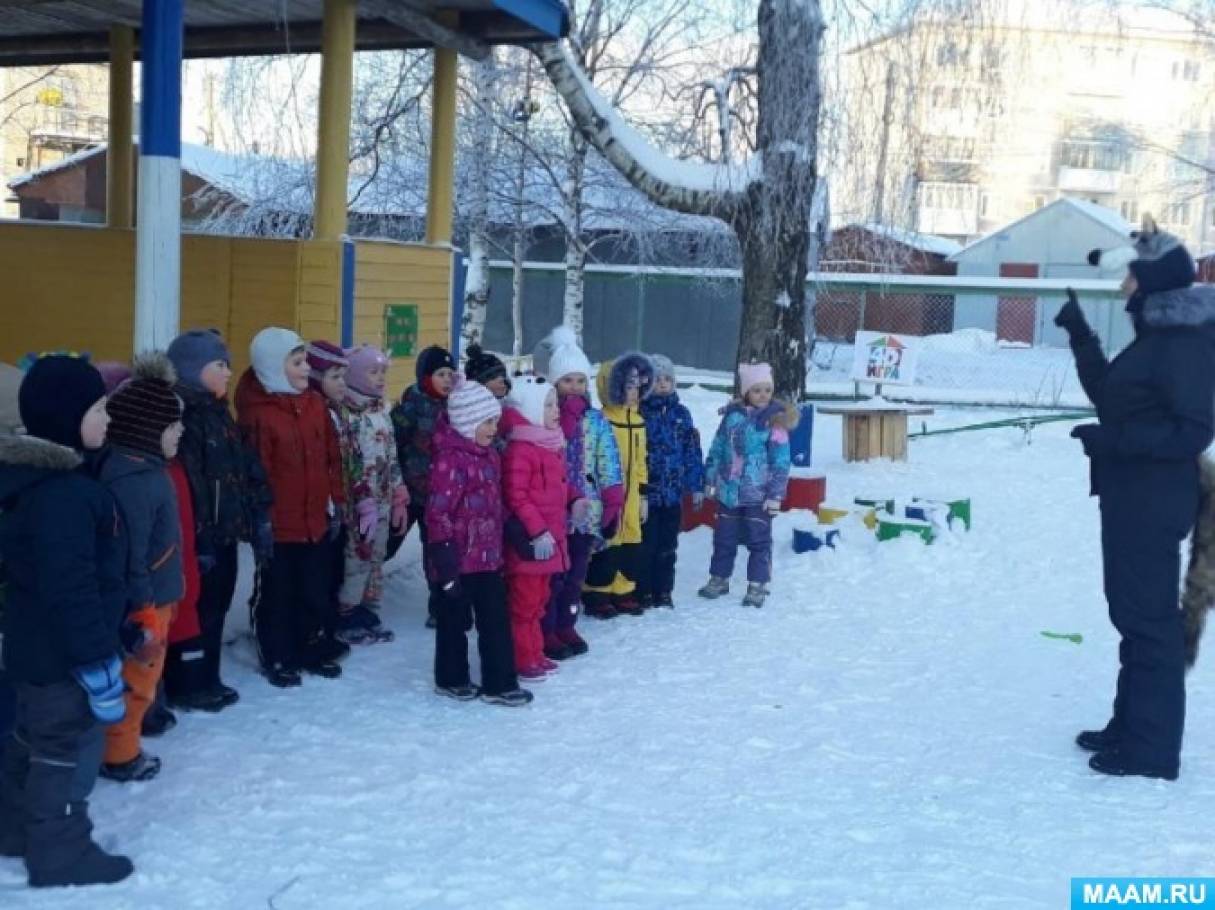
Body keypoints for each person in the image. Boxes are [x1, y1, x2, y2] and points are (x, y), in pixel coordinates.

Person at [1059, 218, 1215, 781]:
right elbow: (1113, 399)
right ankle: (1130, 725)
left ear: (1149, 279)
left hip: (1153, 499)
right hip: (1131, 494)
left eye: (1130, 272)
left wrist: (1114, 442)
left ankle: (1151, 751)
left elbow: (1193, 431)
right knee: (1131, 612)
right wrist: (1080, 336)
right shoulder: (1154, 336)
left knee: (1149, 621)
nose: (1123, 282)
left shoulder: (1184, 344)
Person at [0, 355, 134, 887]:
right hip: (64, 656)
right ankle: (59, 853)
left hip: (34, 648)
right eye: (99, 408)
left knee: (28, 740)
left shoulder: (34, 483)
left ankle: (13, 828)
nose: (108, 419)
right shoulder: (66, 496)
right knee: (58, 749)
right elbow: (73, 590)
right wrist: (99, 661)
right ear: (65, 416)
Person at [165, 330, 273, 711]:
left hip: (224, 532)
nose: (229, 373)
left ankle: (208, 676)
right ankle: (186, 683)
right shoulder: (186, 417)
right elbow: (191, 484)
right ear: (193, 370)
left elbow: (244, 466)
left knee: (217, 607)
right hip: (200, 538)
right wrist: (200, 538)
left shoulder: (218, 412)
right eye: (220, 366)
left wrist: (257, 515)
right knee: (195, 610)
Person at [237, 328, 347, 687]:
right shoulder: (259, 414)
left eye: (305, 362)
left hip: (315, 518)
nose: (306, 370)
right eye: (297, 363)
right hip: (280, 525)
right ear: (272, 366)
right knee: (278, 592)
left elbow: (332, 458)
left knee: (314, 588)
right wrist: (261, 521)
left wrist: (337, 503)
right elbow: (257, 475)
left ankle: (310, 647)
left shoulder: (315, 404)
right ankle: (278, 653)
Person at [97, 353, 184, 784]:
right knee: (135, 682)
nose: (180, 433)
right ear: (149, 431)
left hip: (161, 595)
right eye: (173, 427)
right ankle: (120, 755)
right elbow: (133, 555)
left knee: (145, 678)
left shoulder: (150, 470)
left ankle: (126, 739)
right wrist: (145, 608)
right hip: (146, 603)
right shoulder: (133, 481)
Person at [426, 377, 532, 706]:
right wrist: (444, 560)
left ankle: (499, 683)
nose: (492, 429)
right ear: (466, 421)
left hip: (487, 558)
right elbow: (437, 512)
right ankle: (451, 677)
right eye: (487, 422)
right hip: (455, 561)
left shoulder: (489, 456)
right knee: (453, 623)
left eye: (495, 422)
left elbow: (492, 503)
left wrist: (512, 530)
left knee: (495, 620)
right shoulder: (450, 460)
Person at [532, 326, 622, 655]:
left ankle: (567, 624)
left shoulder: (595, 421)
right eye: (567, 380)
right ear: (555, 382)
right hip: (552, 513)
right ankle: (545, 628)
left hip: (586, 512)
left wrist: (613, 501)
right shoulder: (546, 418)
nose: (574, 387)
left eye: (580, 380)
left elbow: (608, 462)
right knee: (552, 576)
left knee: (574, 575)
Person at [699, 362, 793, 609]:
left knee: (758, 539)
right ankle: (719, 578)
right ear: (746, 393)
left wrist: (775, 494)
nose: (763, 395)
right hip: (729, 491)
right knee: (724, 537)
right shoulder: (732, 417)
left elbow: (781, 462)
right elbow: (718, 447)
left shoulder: (775, 422)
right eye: (757, 390)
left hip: (758, 493)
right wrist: (710, 477)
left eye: (767, 390)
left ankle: (758, 583)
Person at [338, 344, 409, 644]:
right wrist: (359, 499)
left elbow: (392, 454)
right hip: (357, 505)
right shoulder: (346, 413)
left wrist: (399, 494)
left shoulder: (381, 409)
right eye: (373, 371)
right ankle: (347, 614)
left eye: (383, 372)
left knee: (376, 557)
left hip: (383, 499)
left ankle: (368, 609)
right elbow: (348, 462)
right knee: (356, 558)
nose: (380, 378)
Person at [502, 378, 571, 681]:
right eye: (547, 404)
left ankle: (535, 652)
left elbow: (559, 489)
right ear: (530, 409)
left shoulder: (551, 443)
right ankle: (522, 657)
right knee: (524, 604)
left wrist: (577, 500)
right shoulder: (522, 449)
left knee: (540, 601)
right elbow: (516, 495)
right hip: (531, 543)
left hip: (551, 540)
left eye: (555, 403)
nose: (556, 410)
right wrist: (537, 530)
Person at [583, 353, 654, 618]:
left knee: (631, 539)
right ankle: (597, 591)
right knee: (607, 540)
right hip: (607, 493)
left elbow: (641, 461)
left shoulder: (638, 421)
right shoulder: (602, 419)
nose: (634, 392)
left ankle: (623, 589)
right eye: (628, 386)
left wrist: (643, 493)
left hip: (632, 495)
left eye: (637, 387)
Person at [390, 345, 456, 625]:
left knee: (436, 552)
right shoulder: (411, 405)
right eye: (440, 374)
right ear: (425, 377)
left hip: (438, 497)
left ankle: (439, 606)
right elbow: (394, 442)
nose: (447, 380)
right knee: (387, 544)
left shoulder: (455, 405)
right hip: (408, 493)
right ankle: (352, 598)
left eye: (451, 374)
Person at [638, 355, 704, 608]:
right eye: (657, 380)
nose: (663, 384)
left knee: (668, 545)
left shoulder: (681, 414)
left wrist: (695, 484)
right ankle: (643, 590)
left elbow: (692, 450)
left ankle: (663, 590)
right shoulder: (641, 413)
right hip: (648, 495)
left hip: (673, 494)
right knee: (646, 544)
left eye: (668, 379)